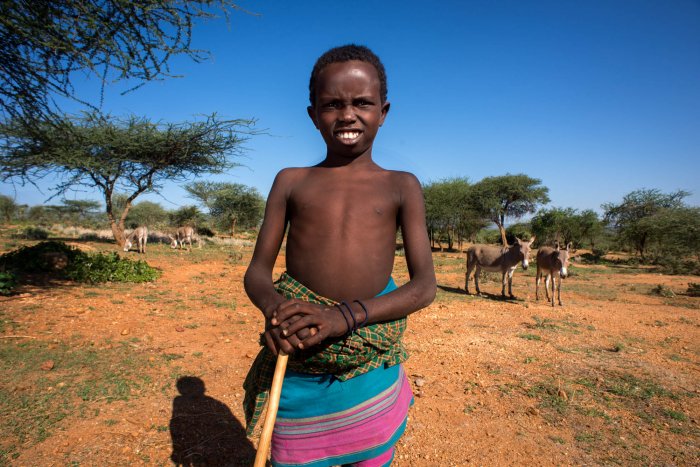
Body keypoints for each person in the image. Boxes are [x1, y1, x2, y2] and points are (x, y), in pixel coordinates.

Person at [243, 44, 436, 467]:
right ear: (313, 115)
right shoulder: (290, 181)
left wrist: (341, 318)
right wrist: (278, 312)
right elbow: (257, 272)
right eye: (332, 104)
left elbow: (423, 287)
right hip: (301, 354)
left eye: (362, 103)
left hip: (368, 365)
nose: (347, 115)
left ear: (383, 112)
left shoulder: (402, 185)